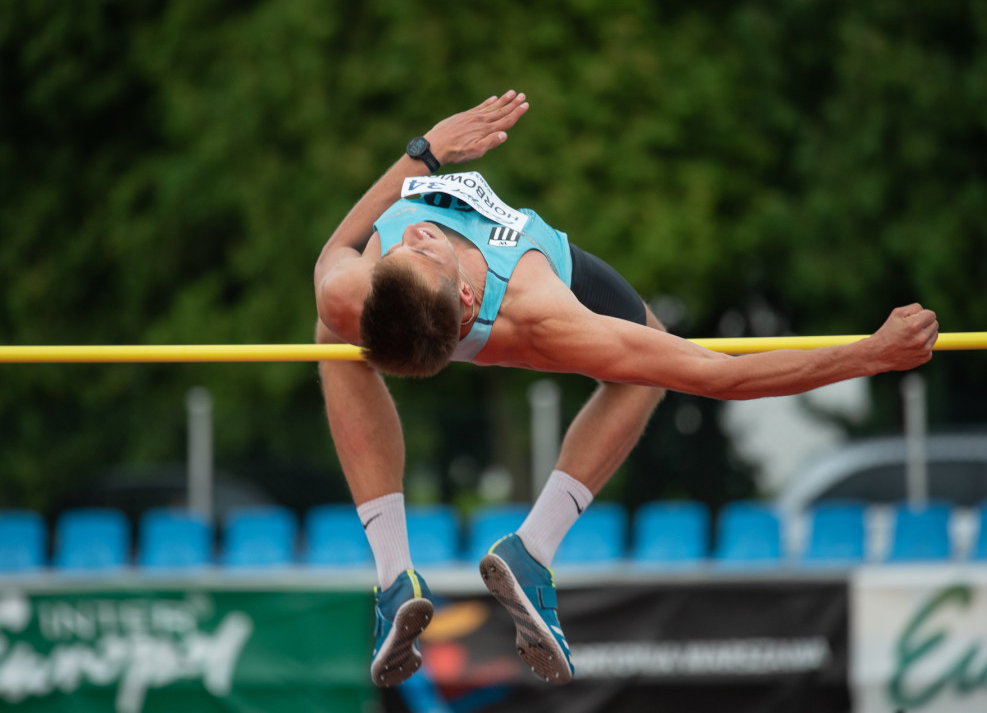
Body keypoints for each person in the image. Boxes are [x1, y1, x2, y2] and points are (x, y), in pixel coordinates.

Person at [313, 90, 938, 687]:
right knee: (644, 371)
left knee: (326, 334)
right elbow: (721, 375)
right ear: (463, 299)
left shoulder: (352, 293)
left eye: (410, 246)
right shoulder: (540, 313)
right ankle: (530, 552)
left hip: (489, 298)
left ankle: (396, 579)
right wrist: (871, 355)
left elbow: (337, 248)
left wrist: (423, 154)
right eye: (418, 251)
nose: (418, 234)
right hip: (529, 279)